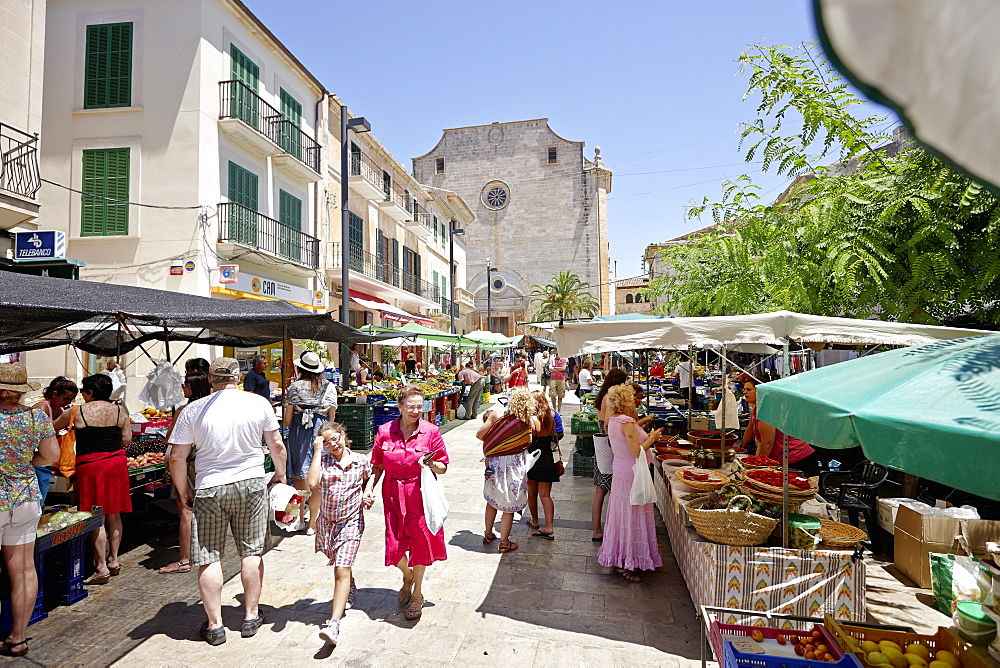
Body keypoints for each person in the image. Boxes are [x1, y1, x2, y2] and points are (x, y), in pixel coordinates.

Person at [167, 357, 287, 646]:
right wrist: (280, 474)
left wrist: (184, 490)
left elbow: (176, 457)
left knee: (209, 557)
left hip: (209, 487)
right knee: (251, 552)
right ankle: (250, 616)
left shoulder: (193, 409)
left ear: (210, 379)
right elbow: (277, 445)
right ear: (239, 377)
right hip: (251, 485)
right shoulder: (258, 403)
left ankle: (215, 624)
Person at [366, 385, 448, 622]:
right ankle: (407, 575)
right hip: (392, 494)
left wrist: (430, 464)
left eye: (418, 406)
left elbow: (443, 466)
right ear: (399, 407)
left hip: (419, 494)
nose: (415, 411)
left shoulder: (431, 432)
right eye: (410, 406)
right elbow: (377, 465)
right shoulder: (384, 431)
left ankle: (418, 594)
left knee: (421, 544)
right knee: (394, 547)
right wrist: (369, 488)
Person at [0, 364, 59, 657]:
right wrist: (23, 463)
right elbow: (51, 456)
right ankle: (18, 638)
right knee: (23, 570)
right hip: (24, 497)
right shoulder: (36, 416)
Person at [53, 374, 132, 585]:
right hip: (116, 463)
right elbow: (126, 439)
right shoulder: (119, 410)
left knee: (96, 516)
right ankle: (114, 560)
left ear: (90, 393)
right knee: (114, 514)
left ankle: (100, 566)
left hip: (91, 466)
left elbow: (50, 429)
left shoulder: (76, 411)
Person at [307, 422, 374, 647]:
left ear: (343, 435)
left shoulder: (360, 461)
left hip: (351, 521)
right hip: (327, 523)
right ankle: (350, 585)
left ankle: (334, 623)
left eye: (335, 438)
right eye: (326, 442)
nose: (333, 444)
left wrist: (368, 493)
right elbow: (312, 483)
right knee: (338, 562)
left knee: (341, 568)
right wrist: (317, 451)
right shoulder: (322, 460)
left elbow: (369, 478)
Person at [597, 384, 664, 582]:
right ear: (627, 401)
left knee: (621, 514)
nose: (637, 402)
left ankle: (621, 557)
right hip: (631, 473)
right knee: (631, 514)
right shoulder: (626, 422)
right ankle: (626, 561)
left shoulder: (614, 420)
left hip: (620, 471)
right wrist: (652, 438)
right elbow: (636, 451)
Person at [158, 370, 212, 575]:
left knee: (186, 512)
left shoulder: (185, 410)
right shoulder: (212, 407)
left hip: (188, 464)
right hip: (209, 462)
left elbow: (171, 440)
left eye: (186, 384)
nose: (183, 387)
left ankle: (184, 559)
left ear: (193, 387)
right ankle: (205, 552)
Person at [284, 352, 338, 535]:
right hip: (321, 430)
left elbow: (287, 419)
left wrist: (299, 429)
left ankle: (298, 519)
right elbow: (332, 417)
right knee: (317, 480)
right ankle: (312, 524)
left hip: (299, 430)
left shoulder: (294, 387)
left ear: (301, 368)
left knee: (299, 479)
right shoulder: (329, 387)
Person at [478, 388, 534, 553]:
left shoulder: (496, 414)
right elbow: (527, 442)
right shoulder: (527, 421)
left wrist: (497, 441)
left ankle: (488, 534)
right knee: (508, 503)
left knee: (492, 499)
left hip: (494, 463)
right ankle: (504, 542)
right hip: (514, 465)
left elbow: (480, 434)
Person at [739, 379, 819, 476]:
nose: (745, 392)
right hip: (783, 458)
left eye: (749, 389)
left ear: (761, 391)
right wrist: (741, 450)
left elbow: (768, 442)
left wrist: (758, 467)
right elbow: (752, 430)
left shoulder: (767, 410)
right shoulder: (758, 408)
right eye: (744, 389)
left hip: (797, 459)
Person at [591, 368, 629, 541]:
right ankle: (603, 529)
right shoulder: (609, 397)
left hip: (602, 446)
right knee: (607, 490)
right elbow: (608, 424)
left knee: (601, 490)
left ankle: (598, 528)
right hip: (609, 446)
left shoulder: (602, 395)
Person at [32, 377, 78, 502]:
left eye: (70, 399)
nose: (67, 402)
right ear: (54, 394)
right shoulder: (42, 409)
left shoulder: (59, 410)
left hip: (45, 459)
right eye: (65, 398)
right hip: (36, 459)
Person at [525, 391, 559, 539]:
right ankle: (549, 526)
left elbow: (526, 442)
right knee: (545, 495)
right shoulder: (550, 419)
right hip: (547, 459)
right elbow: (554, 440)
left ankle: (535, 520)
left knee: (532, 494)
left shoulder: (530, 421)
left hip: (533, 461)